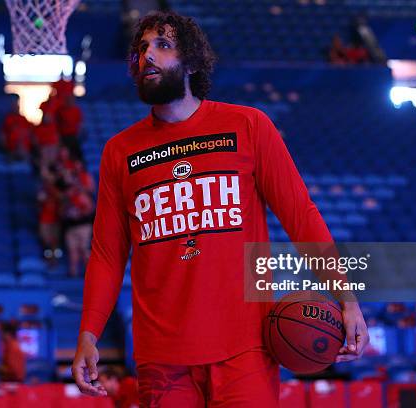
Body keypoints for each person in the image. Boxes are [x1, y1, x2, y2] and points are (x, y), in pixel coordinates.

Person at [72, 11, 369, 406]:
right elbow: (108, 255)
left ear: (192, 61)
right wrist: (88, 333)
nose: (148, 56)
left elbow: (301, 216)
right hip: (162, 357)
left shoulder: (249, 126)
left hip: (245, 346)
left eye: (163, 45)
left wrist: (347, 299)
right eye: (141, 48)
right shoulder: (120, 152)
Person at [56, 93, 84, 161]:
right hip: (64, 136)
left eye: (71, 99)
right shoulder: (60, 111)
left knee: (77, 154)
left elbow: (80, 123)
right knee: (65, 154)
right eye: (68, 100)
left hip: (74, 136)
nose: (70, 101)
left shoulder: (77, 110)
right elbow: (58, 124)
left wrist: (79, 134)